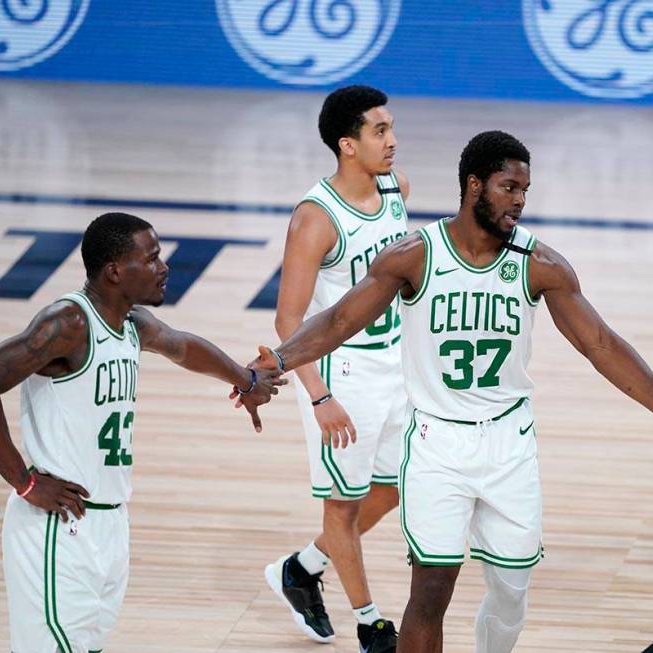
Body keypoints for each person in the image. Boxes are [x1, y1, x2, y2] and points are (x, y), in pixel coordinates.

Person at [248, 130, 653, 653]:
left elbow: (600, 343)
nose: (519, 199)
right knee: (429, 592)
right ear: (474, 185)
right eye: (508, 186)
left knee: (511, 592)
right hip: (436, 446)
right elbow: (337, 320)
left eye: (525, 189)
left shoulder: (540, 264)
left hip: (508, 446)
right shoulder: (414, 257)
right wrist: (279, 361)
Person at [0, 212, 282, 653]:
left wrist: (245, 381)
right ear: (114, 271)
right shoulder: (68, 324)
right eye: (151, 259)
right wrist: (24, 480)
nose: (164, 267)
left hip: (110, 523)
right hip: (58, 528)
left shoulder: (132, 324)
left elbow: (183, 346)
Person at [262, 85, 408, 652]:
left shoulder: (394, 188)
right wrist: (320, 398)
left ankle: (300, 567)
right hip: (342, 374)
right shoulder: (315, 218)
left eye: (392, 128)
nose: (392, 140)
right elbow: (288, 321)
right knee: (343, 506)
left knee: (392, 489)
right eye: (380, 131)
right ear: (348, 145)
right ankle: (371, 625)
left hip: (396, 366)